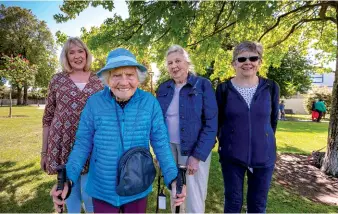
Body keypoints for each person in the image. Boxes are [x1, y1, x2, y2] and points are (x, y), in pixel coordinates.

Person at [50, 48, 186, 213]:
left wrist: (173, 177)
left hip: (137, 186)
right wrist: (68, 179)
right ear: (107, 79)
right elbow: (82, 144)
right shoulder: (94, 103)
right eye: (116, 75)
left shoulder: (150, 103)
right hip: (102, 188)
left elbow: (161, 144)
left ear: (138, 78)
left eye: (129, 75)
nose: (123, 82)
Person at [216, 41, 280, 213]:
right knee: (232, 202)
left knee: (258, 205)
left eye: (253, 58)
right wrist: (226, 142)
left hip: (263, 156)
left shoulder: (271, 87)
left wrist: (264, 140)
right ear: (234, 63)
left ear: (259, 62)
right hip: (232, 157)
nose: (248, 62)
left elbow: (272, 121)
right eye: (242, 58)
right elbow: (218, 121)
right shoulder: (223, 89)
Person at [41, 37, 103, 213]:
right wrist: (44, 152)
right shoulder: (57, 79)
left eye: (80, 51)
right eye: (71, 52)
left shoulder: (99, 80)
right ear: (66, 57)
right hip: (63, 143)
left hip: (92, 143)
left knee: (91, 192)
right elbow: (48, 118)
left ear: (86, 54)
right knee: (70, 192)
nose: (77, 56)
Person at [156, 45, 218, 213]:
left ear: (187, 63)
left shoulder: (202, 85)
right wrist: (160, 153)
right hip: (169, 148)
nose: (174, 66)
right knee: (175, 194)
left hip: (193, 148)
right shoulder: (163, 88)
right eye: (170, 63)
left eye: (178, 61)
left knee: (194, 196)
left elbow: (211, 124)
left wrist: (197, 156)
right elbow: (158, 123)